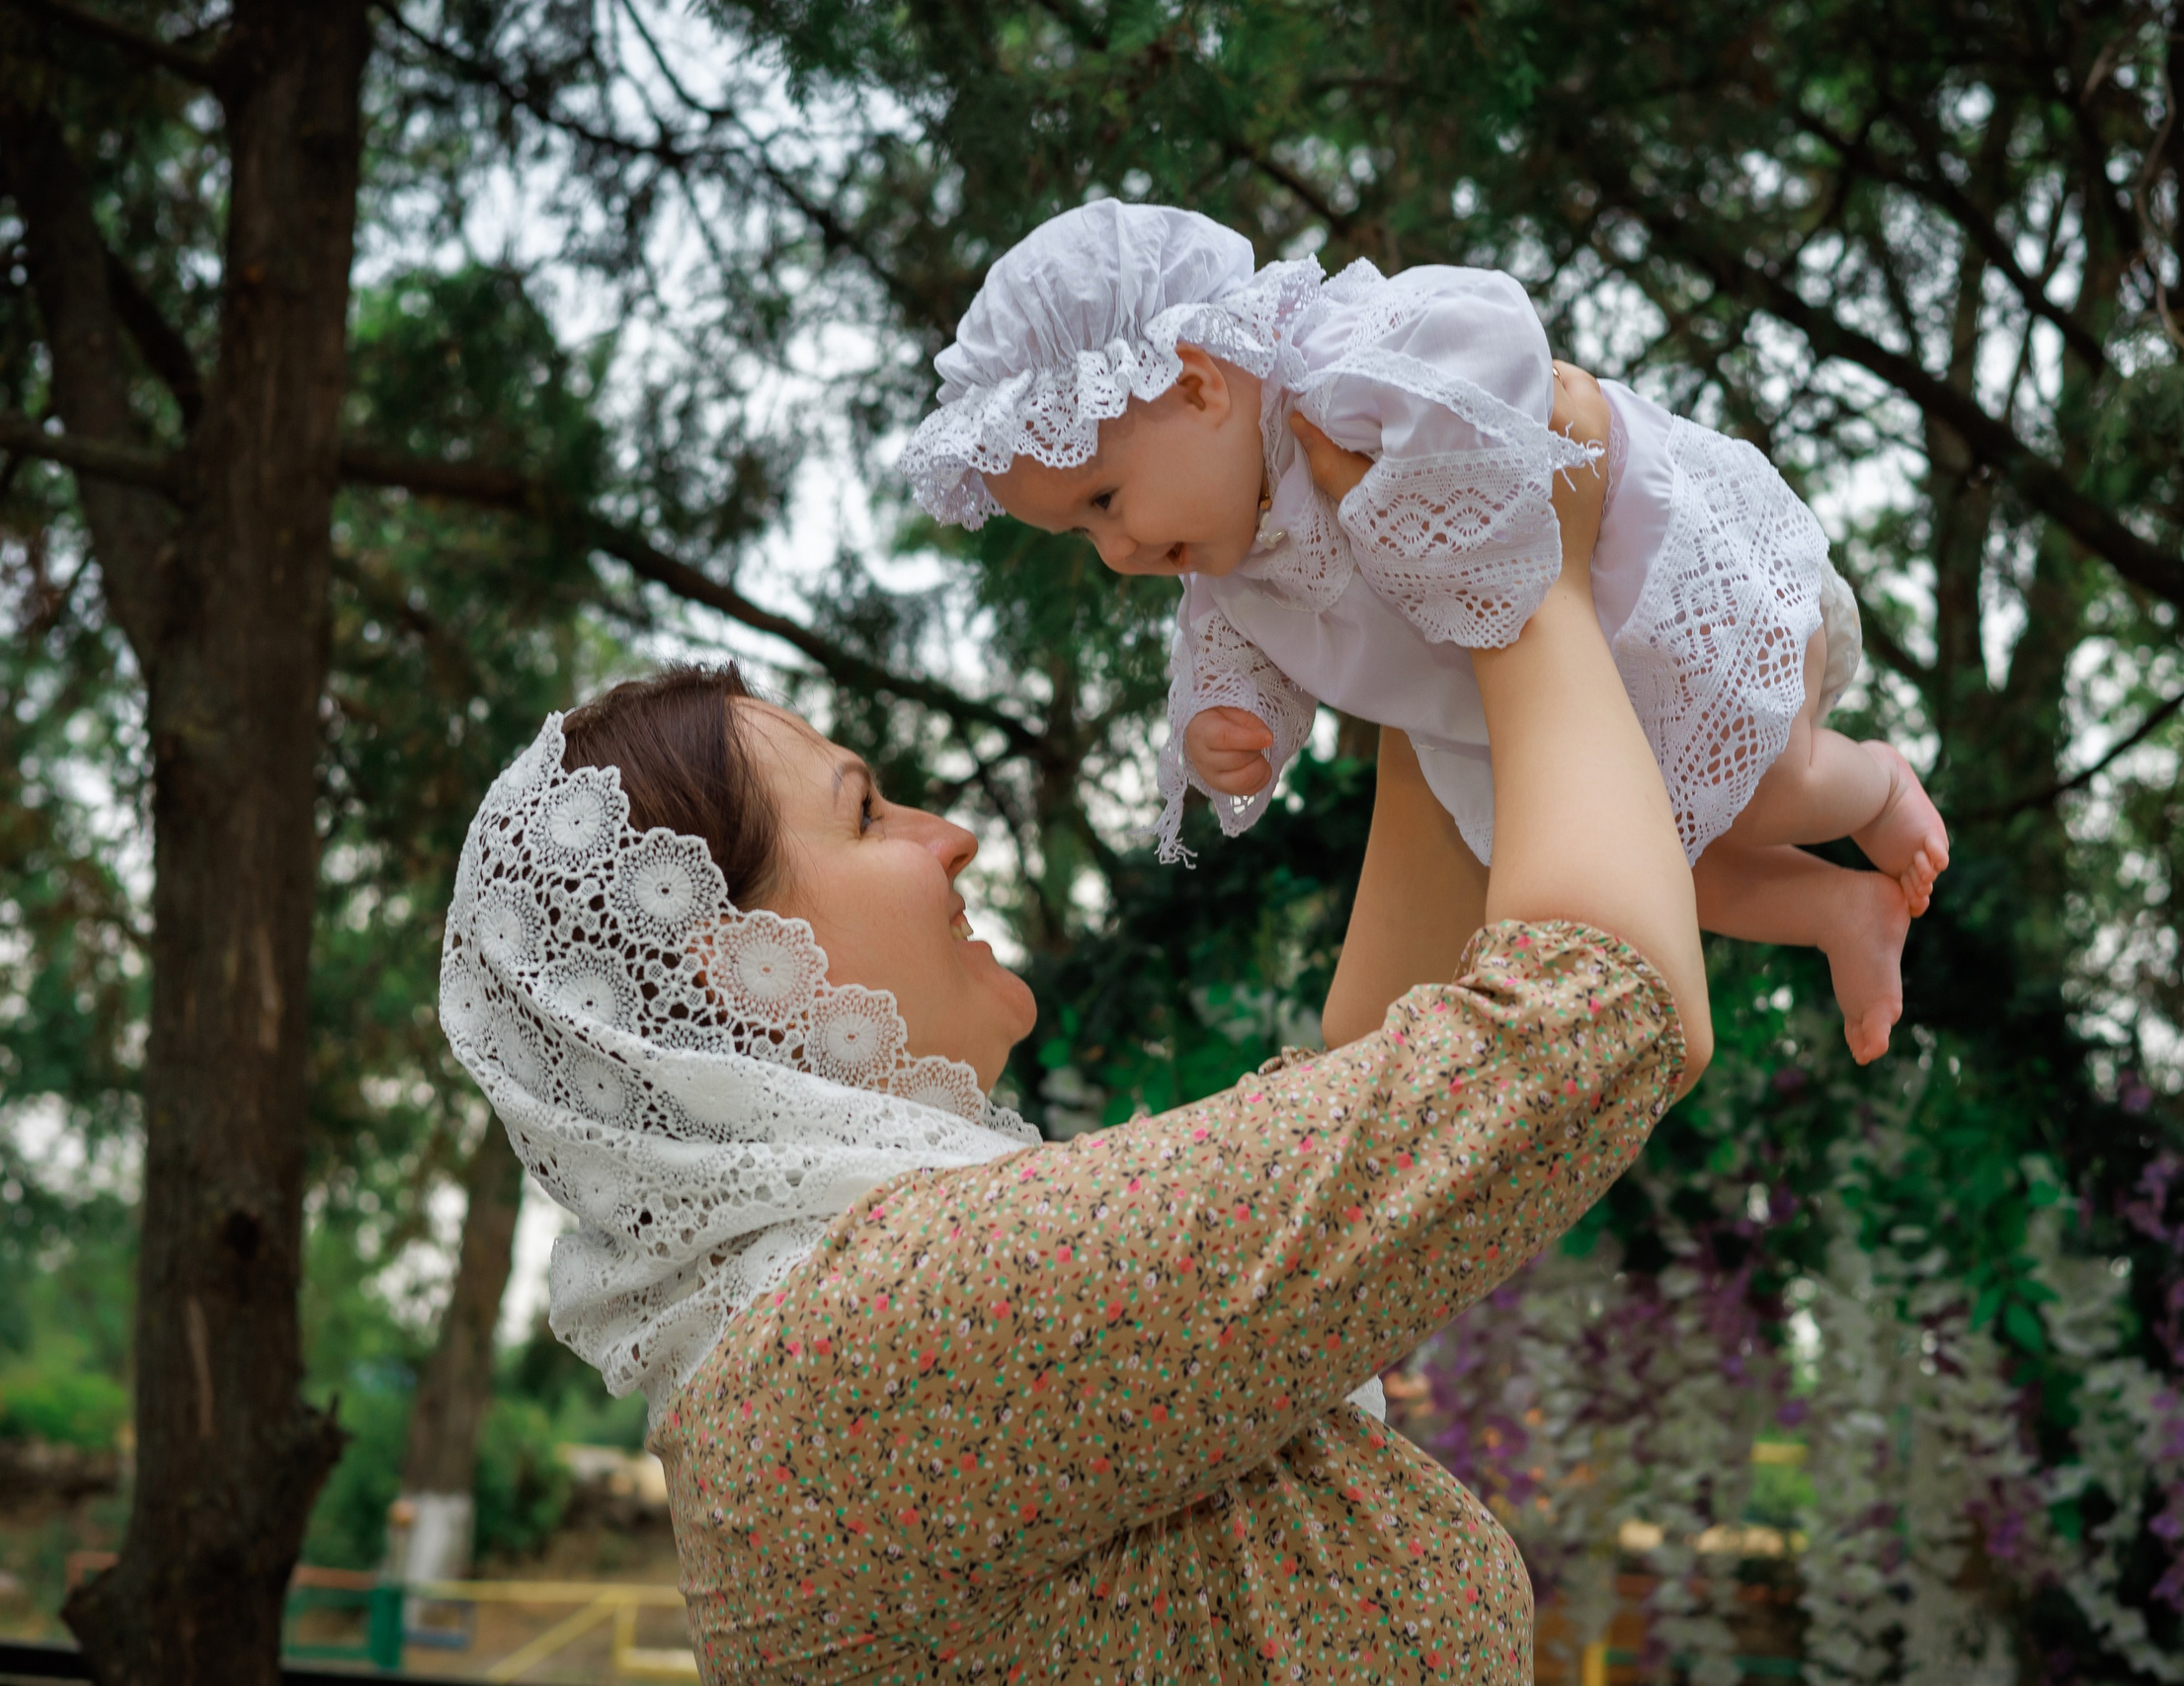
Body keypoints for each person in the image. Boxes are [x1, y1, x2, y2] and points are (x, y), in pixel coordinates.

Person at [440, 368, 1710, 1680]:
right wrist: (1528, 585)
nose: (953, 836)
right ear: (733, 963)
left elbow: (1364, 1113)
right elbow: (1582, 1026)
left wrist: (1420, 636)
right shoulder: (880, 1341)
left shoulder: (819, 1338)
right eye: (869, 813)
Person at [901, 200, 1949, 1062]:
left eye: (1103, 501)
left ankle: (1872, 783)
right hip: (1551, 721)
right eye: (1081, 532)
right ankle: (1838, 913)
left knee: (1767, 790)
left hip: (1657, 602)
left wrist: (1406, 513)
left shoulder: (1340, 377)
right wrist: (1227, 719)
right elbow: (1227, 651)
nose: (1113, 550)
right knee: (1676, 868)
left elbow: (1490, 336)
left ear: (1196, 384)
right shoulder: (1224, 561)